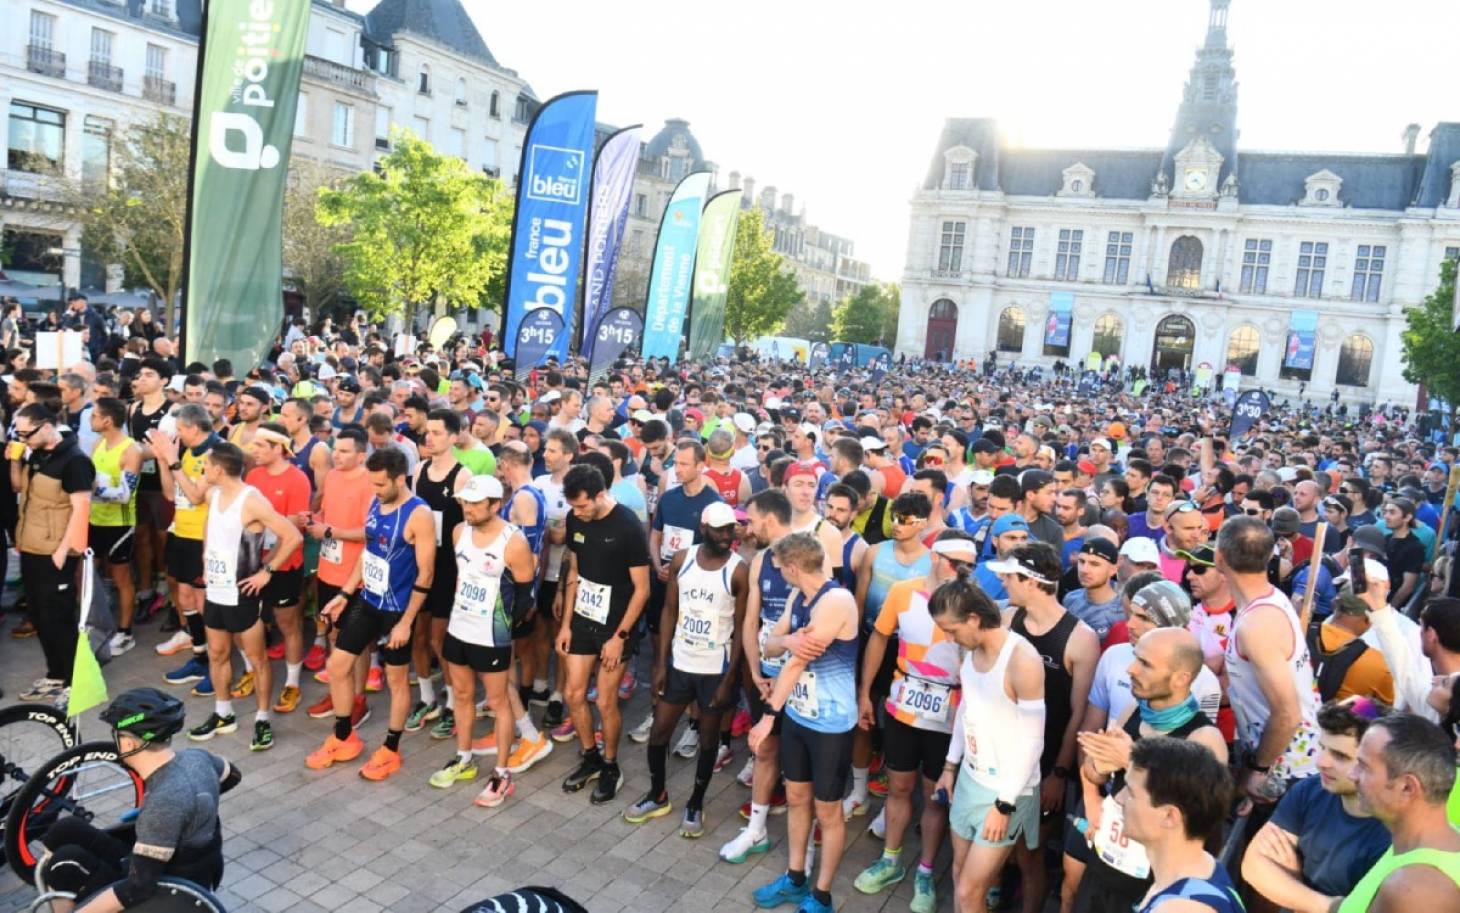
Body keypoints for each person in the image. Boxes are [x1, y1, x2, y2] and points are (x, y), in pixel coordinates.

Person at [34, 688, 241, 913]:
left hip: (166, 890)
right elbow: (232, 776)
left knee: (65, 865)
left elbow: (137, 888)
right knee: (64, 829)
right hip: (178, 862)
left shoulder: (164, 802)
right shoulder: (196, 758)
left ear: (131, 744)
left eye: (117, 734)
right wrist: (195, 811)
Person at [854, 533, 975, 913]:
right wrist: (865, 692)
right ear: (935, 558)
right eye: (953, 562)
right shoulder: (904, 592)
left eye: (966, 566)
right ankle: (891, 860)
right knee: (899, 786)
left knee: (935, 797)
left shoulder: (974, 604)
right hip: (904, 706)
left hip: (949, 715)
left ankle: (924, 870)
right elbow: (879, 638)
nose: (959, 572)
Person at [1070, 626, 1227, 913]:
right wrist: (1096, 775)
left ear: (1181, 678)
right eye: (1135, 658)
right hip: (1104, 866)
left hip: (1151, 885)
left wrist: (1132, 760)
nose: (1131, 669)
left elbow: (1197, 819)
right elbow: (1097, 774)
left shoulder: (1203, 739)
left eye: (1145, 664)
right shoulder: (1134, 710)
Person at [747, 532, 860, 913]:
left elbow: (796, 661)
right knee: (796, 797)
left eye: (781, 570)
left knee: (828, 811)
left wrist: (767, 719)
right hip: (798, 714)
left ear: (794, 568)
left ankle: (822, 894)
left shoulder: (836, 601)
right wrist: (791, 639)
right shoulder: (799, 597)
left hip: (829, 724)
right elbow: (772, 644)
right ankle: (796, 878)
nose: (780, 576)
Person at [306, 447, 435, 780]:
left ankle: (390, 749)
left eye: (380, 485)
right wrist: (345, 595)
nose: (375, 491)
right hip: (368, 599)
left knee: (395, 679)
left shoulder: (419, 514)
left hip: (397, 610)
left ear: (399, 478)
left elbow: (426, 574)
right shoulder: (378, 501)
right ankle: (344, 736)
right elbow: (369, 551)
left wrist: (406, 623)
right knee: (337, 665)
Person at [624, 501, 747, 837]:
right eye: (720, 529)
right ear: (704, 528)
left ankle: (696, 802)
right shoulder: (683, 560)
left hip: (714, 670)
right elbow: (669, 611)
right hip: (679, 664)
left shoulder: (738, 570)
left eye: (730, 529)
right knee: (661, 730)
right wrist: (660, 663)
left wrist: (729, 679)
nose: (727, 535)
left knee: (708, 739)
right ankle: (657, 794)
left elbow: (741, 629)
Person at [931, 558, 1046, 913]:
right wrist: (950, 766)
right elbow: (968, 709)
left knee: (969, 892)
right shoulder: (970, 649)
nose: (949, 639)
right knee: (958, 875)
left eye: (951, 630)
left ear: (974, 619)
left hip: (1006, 791)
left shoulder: (1022, 660)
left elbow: (1033, 741)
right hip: (970, 778)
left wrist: (1004, 804)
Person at [995, 541, 1100, 913]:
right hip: (1001, 754)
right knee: (995, 844)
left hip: (1045, 762)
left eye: (1010, 577)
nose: (1004, 582)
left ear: (1031, 581)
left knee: (1030, 853)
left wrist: (1058, 772)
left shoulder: (1080, 639)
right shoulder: (1008, 619)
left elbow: (1078, 714)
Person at [429, 473, 542, 806]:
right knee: (462, 694)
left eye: (477, 503)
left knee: (499, 702)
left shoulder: (513, 540)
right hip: (459, 628)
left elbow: (525, 593)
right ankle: (463, 758)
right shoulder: (458, 531)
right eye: (465, 501)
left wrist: (508, 627)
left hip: (492, 635)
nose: (468, 508)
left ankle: (502, 774)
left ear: (496, 505)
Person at [188, 441, 302, 750]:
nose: (203, 470)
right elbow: (208, 528)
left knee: (258, 660)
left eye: (206, 465)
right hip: (216, 590)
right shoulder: (214, 495)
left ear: (219, 470)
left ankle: (262, 719)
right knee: (217, 653)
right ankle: (223, 713)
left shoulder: (251, 501)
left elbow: (292, 535)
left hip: (243, 594)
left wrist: (267, 571)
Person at [1242, 698, 1393, 913]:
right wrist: (1331, 906)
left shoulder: (1394, 831)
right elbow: (1254, 865)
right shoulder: (1310, 789)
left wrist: (1292, 888)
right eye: (1322, 748)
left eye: (1340, 756)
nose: (1321, 762)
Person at [556, 463, 651, 804]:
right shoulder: (575, 519)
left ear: (600, 495)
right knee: (574, 693)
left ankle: (611, 765)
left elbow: (642, 589)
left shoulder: (627, 525)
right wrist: (566, 623)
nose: (577, 513)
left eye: (582, 506)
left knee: (607, 700)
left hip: (616, 627)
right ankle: (590, 756)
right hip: (583, 619)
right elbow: (575, 573)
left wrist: (619, 636)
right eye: (572, 507)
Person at [1217, 516, 1321, 801]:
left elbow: (1288, 714)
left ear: (1219, 557)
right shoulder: (1270, 598)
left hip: (1285, 770)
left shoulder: (1258, 624)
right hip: (1284, 758)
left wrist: (1257, 768)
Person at [11, 403, 94, 702]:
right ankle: (56, 674)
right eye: (18, 434)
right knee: (39, 615)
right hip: (32, 547)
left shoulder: (74, 461)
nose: (23, 439)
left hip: (55, 551)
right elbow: (20, 489)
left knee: (59, 617)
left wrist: (63, 551)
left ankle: (76, 681)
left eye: (27, 433)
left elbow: (81, 509)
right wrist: (15, 460)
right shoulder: (36, 454)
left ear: (47, 426)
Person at [1338, 713, 1460, 911]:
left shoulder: (1416, 890)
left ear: (1407, 788)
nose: (1352, 775)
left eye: (1363, 766)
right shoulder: (1424, 843)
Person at [405, 408, 472, 737]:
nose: (428, 438)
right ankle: (427, 697)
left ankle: (452, 704)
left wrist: (464, 573)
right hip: (421, 564)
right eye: (426, 432)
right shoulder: (418, 470)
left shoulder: (463, 477)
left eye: (436, 432)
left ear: (454, 436)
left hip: (448, 569)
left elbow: (469, 527)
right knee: (417, 635)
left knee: (439, 639)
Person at [1118, 738, 1242, 913]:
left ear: (1170, 816)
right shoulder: (1205, 866)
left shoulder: (1180, 908)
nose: (1119, 799)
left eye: (1130, 793)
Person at [303, 427, 374, 725]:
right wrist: (313, 521)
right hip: (328, 569)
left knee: (356, 642)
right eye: (336, 448)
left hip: (355, 577)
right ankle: (338, 690)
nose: (336, 454)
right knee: (332, 632)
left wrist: (329, 531)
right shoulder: (331, 476)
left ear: (360, 455)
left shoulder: (370, 482)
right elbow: (328, 518)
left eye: (344, 451)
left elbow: (370, 532)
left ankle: (359, 699)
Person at [241, 423, 312, 714]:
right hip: (251, 560)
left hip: (284, 563)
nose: (253, 451)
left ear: (278, 449)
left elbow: (297, 523)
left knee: (288, 624)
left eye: (260, 446)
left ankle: (292, 683)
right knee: (246, 622)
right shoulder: (253, 475)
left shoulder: (297, 479)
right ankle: (250, 670)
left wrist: (265, 522)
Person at [89, 397, 142, 657]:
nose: (91, 420)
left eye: (95, 416)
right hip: (94, 520)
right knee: (89, 574)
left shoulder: (130, 450)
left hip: (119, 524)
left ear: (107, 420)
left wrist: (94, 489)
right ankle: (95, 622)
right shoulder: (98, 443)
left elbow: (124, 494)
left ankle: (125, 632)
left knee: (121, 577)